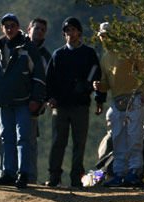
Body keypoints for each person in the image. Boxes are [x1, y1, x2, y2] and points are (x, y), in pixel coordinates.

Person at [0, 13, 46, 189]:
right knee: (6, 138)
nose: (9, 28)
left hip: (23, 101)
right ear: (2, 28)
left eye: (12, 25)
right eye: (6, 26)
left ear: (18, 27)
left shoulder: (28, 47)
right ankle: (8, 173)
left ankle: (23, 173)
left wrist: (36, 99)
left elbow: (39, 75)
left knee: (23, 138)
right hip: (4, 102)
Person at [45, 17, 105, 187]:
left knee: (79, 143)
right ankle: (54, 176)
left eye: (72, 30)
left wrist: (99, 99)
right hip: (61, 106)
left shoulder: (89, 54)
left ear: (79, 32)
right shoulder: (59, 54)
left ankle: (76, 177)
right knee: (58, 143)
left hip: (80, 105)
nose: (70, 33)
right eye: (67, 31)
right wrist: (50, 98)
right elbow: (49, 80)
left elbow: (97, 79)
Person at [93, 22, 144, 187]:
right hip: (117, 101)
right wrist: (99, 86)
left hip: (134, 98)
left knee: (134, 137)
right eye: (103, 36)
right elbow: (106, 83)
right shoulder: (105, 57)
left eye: (107, 35)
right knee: (118, 139)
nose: (105, 39)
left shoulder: (130, 51)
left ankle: (134, 171)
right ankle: (119, 173)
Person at [25, 17, 52, 182]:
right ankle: (9, 173)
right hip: (14, 102)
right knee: (7, 139)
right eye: (37, 28)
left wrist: (41, 103)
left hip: (33, 105)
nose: (39, 32)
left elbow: (48, 82)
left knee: (30, 141)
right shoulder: (18, 48)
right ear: (29, 29)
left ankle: (31, 177)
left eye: (43, 30)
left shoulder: (46, 56)